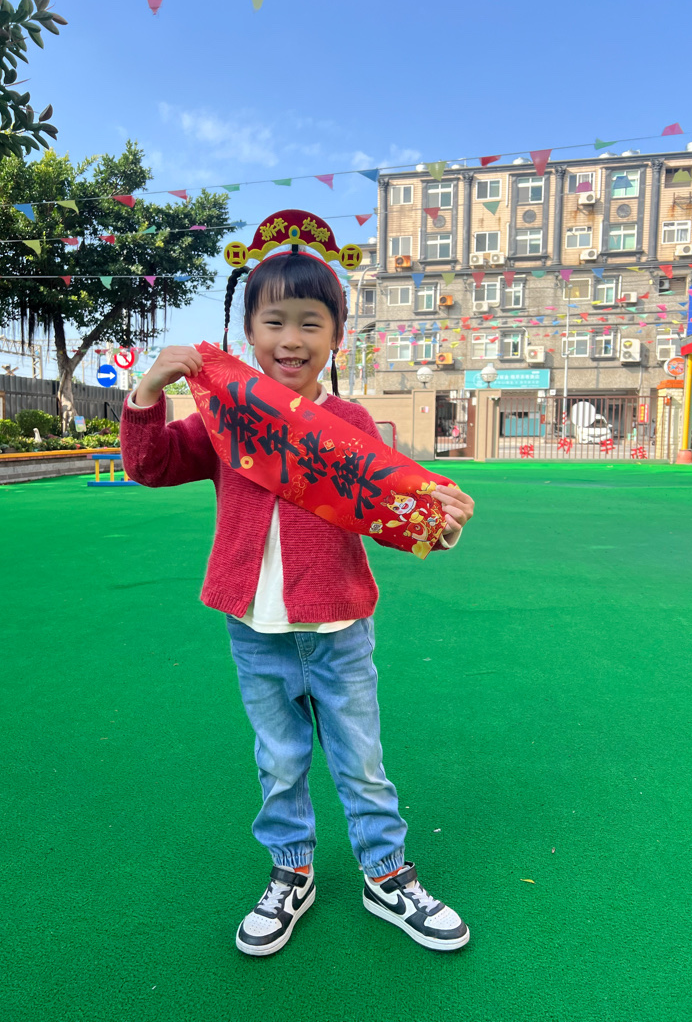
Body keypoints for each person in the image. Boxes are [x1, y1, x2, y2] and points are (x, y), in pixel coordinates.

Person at [121, 219, 475, 957]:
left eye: (311, 323)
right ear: (248, 331)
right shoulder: (222, 417)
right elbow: (150, 465)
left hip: (339, 628)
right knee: (279, 762)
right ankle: (292, 871)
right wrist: (149, 390)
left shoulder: (347, 422)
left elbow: (389, 508)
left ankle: (386, 874)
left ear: (337, 336)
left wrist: (438, 517)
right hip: (255, 629)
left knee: (362, 762)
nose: (291, 339)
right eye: (274, 321)